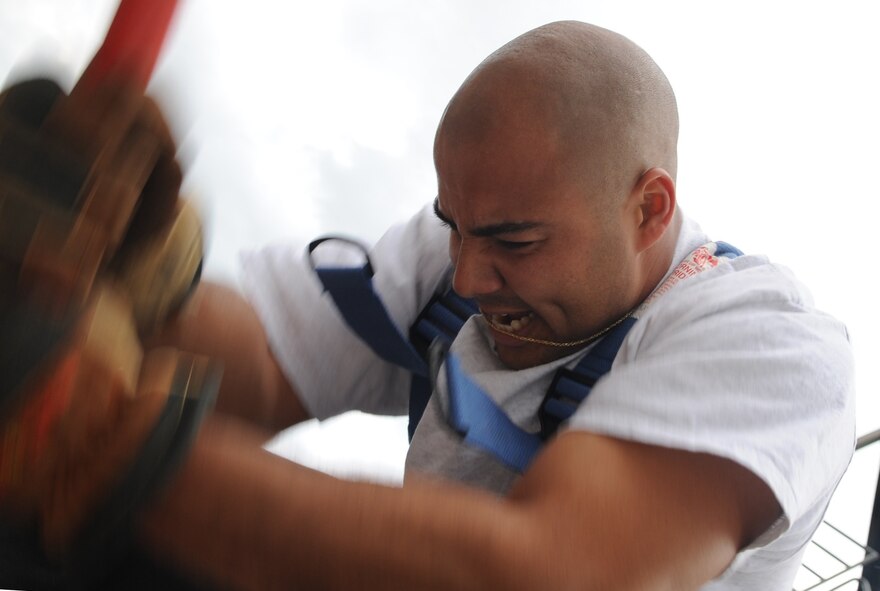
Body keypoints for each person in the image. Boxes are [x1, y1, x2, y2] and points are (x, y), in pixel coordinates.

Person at [1, 20, 855, 591]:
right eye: (455, 225)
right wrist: (131, 275)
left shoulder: (771, 346)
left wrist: (119, 454)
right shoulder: (458, 257)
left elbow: (555, 571)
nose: (470, 276)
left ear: (649, 209)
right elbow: (263, 357)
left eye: (515, 241)